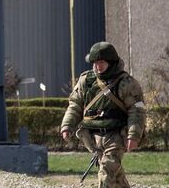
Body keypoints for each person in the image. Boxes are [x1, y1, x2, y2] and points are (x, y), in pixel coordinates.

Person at [60, 41, 147, 188]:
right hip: (93, 138)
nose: (97, 66)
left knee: (106, 173)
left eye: (101, 62)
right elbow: (75, 105)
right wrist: (67, 125)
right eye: (95, 62)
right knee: (117, 179)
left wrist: (134, 135)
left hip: (117, 137)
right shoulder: (86, 81)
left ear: (111, 62)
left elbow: (137, 110)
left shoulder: (126, 83)